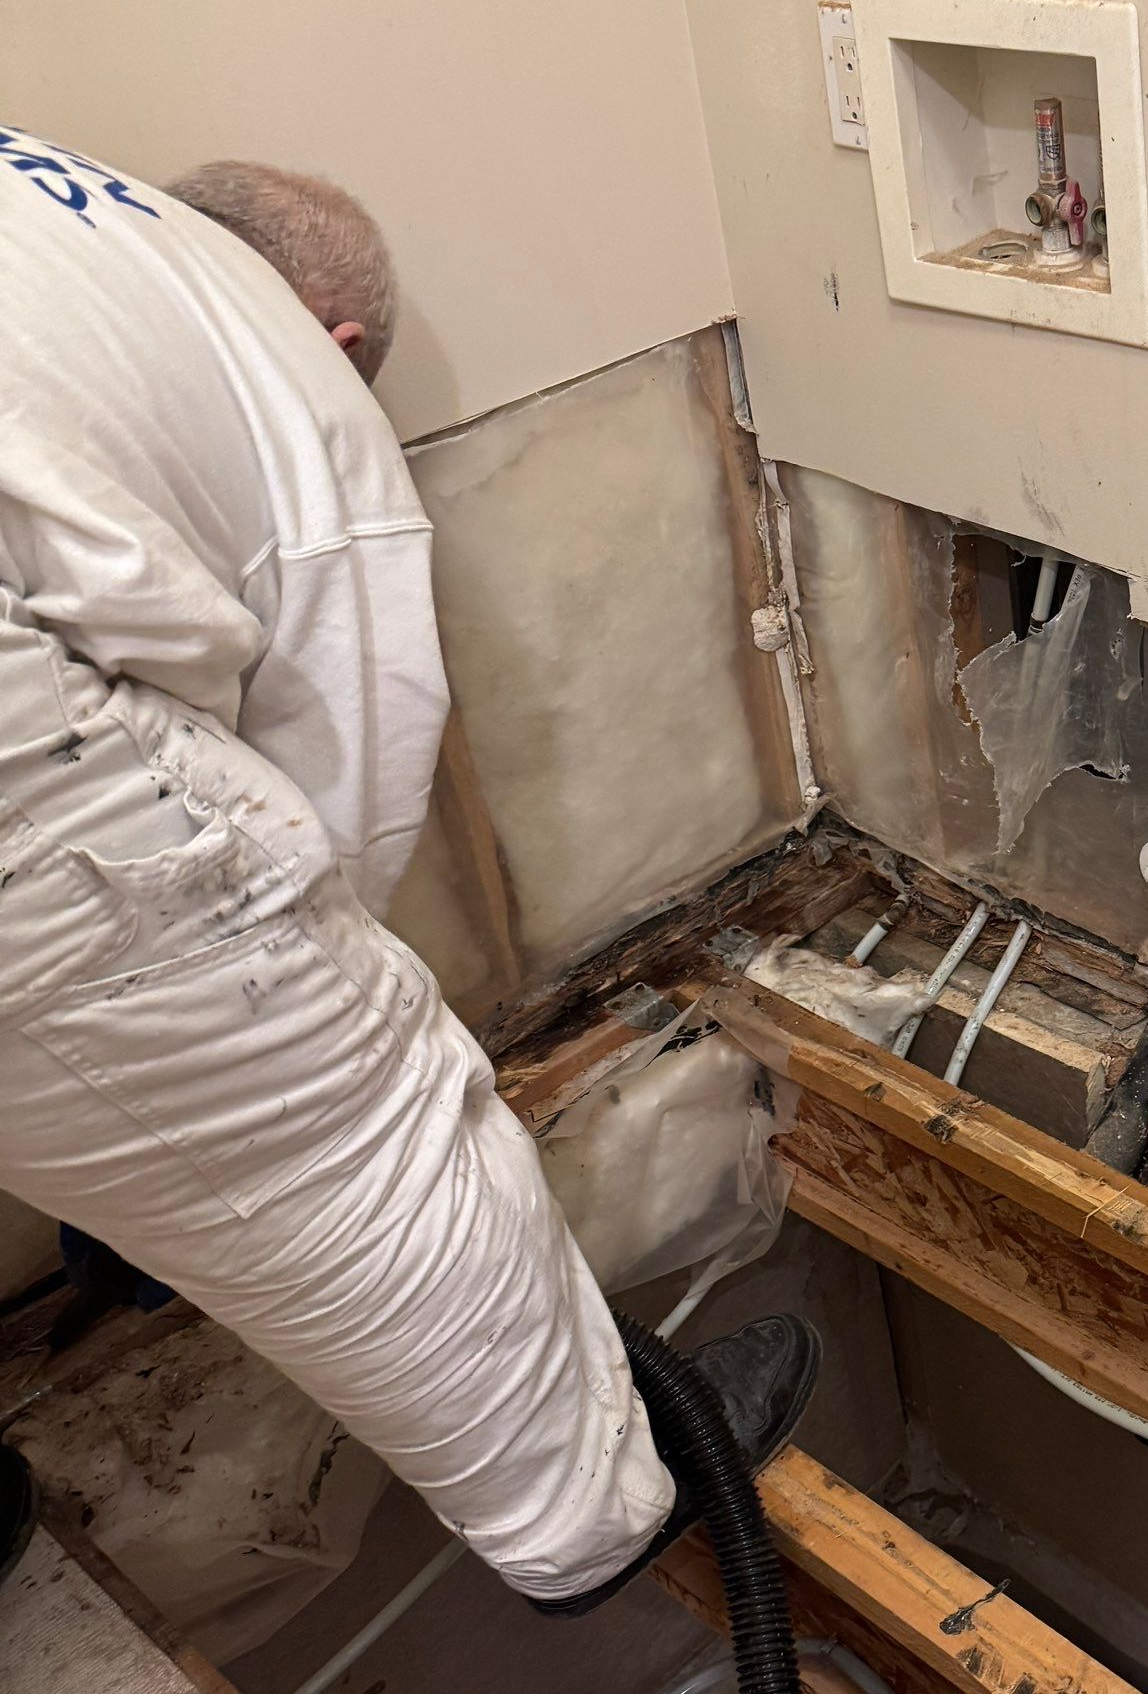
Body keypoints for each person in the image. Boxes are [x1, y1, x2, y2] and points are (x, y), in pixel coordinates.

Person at [0, 128, 811, 1607]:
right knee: (366, 1115)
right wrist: (283, 1042)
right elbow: (338, 802)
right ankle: (589, 1522)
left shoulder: (95, 254)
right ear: (344, 339)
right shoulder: (284, 376)